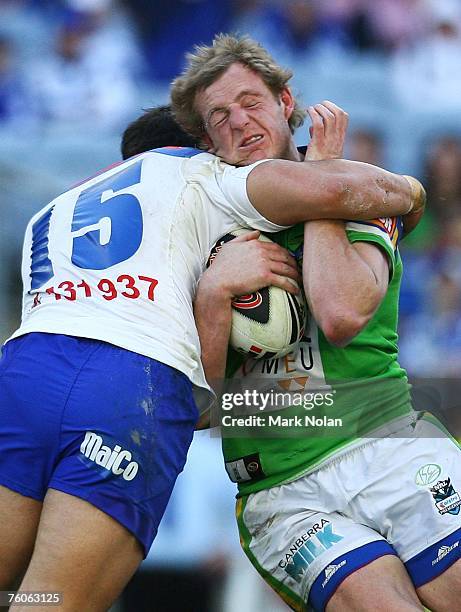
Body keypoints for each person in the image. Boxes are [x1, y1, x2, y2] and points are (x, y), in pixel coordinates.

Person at [0, 96, 419, 609]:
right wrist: (411, 195)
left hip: (23, 371)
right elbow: (335, 190)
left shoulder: (51, 211)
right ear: (201, 145)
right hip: (130, 387)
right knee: (53, 601)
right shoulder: (204, 173)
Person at [171, 34, 461, 612]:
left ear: (285, 102)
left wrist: (321, 179)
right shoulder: (200, 240)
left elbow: (341, 314)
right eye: (219, 117)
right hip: (281, 493)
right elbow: (201, 411)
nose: (239, 122)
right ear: (206, 141)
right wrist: (213, 293)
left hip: (389, 447)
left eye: (251, 101)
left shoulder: (358, 193)